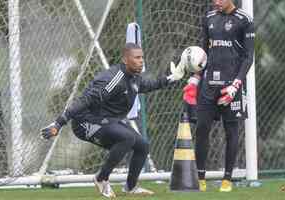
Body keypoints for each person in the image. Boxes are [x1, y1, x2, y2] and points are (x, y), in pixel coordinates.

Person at [40, 43, 185, 198]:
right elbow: (85, 101)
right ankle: (101, 178)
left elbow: (148, 85)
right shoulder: (113, 80)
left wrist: (171, 78)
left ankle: (130, 187)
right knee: (127, 138)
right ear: (125, 60)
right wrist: (59, 123)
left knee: (143, 146)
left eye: (142, 57)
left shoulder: (134, 77)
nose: (141, 60)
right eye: (136, 57)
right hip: (85, 122)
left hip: (106, 121)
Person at [183, 0, 254, 192]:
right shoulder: (208, 18)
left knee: (231, 131)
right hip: (209, 86)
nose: (216, 2)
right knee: (202, 128)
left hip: (232, 87)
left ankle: (227, 179)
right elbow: (203, 53)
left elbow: (249, 57)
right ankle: (201, 177)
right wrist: (195, 79)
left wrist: (236, 84)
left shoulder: (244, 20)